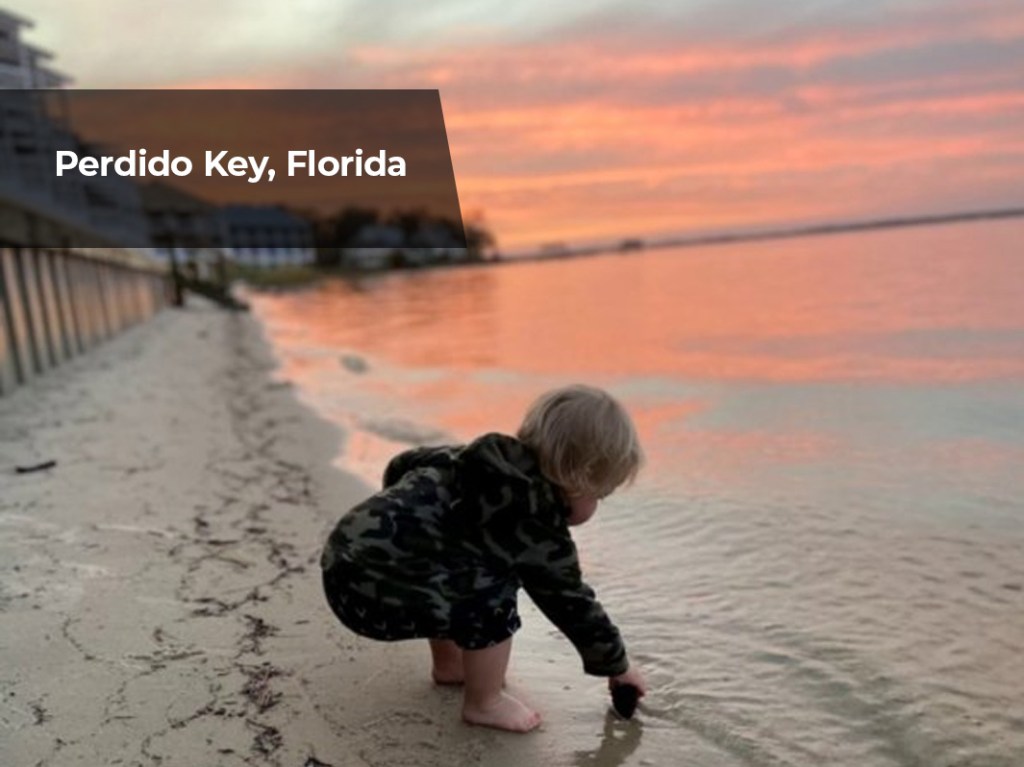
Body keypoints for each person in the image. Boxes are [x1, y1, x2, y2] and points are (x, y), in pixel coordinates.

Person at [320, 384, 647, 732]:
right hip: (374, 597)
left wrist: (404, 516)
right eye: (600, 496)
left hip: (340, 564)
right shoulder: (535, 523)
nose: (596, 506)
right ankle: (484, 703)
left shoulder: (475, 457)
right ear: (578, 480)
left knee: (455, 557)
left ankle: (451, 667)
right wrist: (618, 666)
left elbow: (404, 463)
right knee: (494, 589)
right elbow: (572, 604)